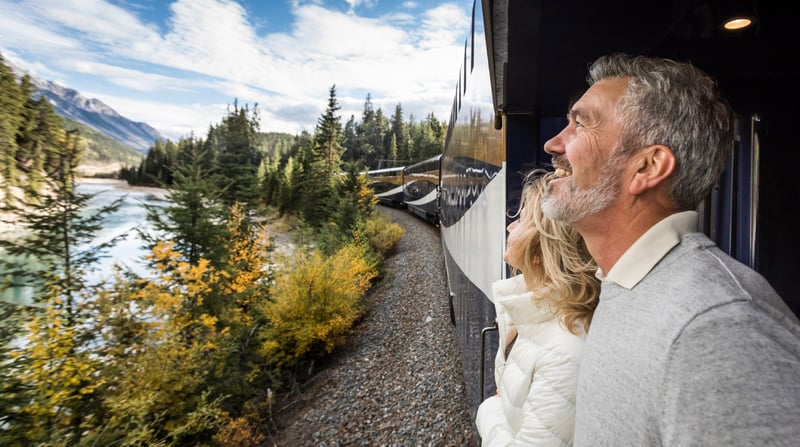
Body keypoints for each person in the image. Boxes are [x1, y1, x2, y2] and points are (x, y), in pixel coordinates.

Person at [542, 52, 800, 446]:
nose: (552, 143)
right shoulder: (629, 285)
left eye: (581, 123)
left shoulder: (718, 330)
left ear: (647, 167)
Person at [475, 169, 600, 446]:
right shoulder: (534, 316)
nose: (510, 227)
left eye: (520, 220)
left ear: (540, 250)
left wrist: (489, 410)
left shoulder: (566, 351)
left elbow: (502, 407)